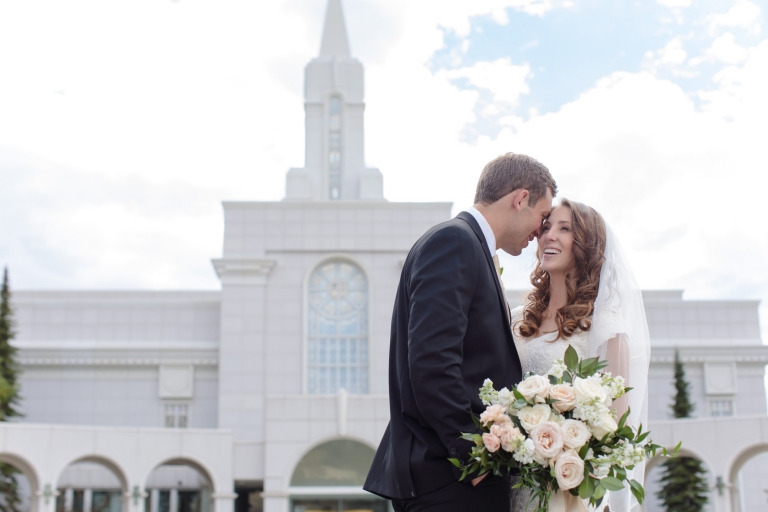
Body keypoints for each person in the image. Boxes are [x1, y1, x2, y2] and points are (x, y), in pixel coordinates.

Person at [363, 153, 557, 512]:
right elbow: (432, 361)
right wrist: (471, 451)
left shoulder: (468, 245)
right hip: (449, 479)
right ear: (520, 199)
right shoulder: (454, 242)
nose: (541, 231)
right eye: (542, 216)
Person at [510, 199, 650, 512]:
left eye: (564, 229)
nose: (549, 236)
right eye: (546, 227)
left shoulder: (606, 328)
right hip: (513, 481)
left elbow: (616, 431)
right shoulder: (519, 320)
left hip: (568, 492)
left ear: (586, 244)